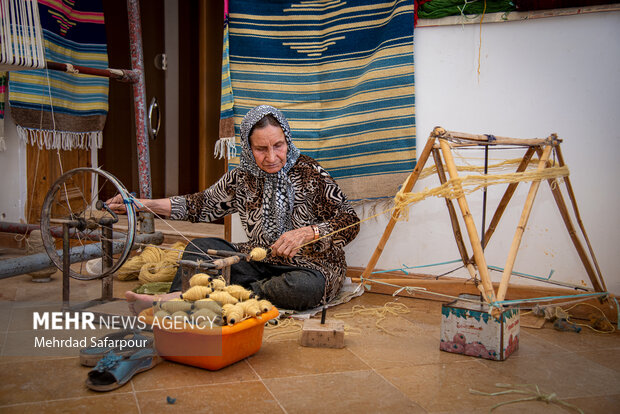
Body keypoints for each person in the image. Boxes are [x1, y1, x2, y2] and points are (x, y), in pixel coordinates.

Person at [107, 105, 360, 314]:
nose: (271, 157)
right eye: (261, 149)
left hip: (311, 267)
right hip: (259, 259)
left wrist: (308, 233)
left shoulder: (311, 174)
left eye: (278, 146)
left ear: (288, 140)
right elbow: (198, 205)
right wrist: (143, 204)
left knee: (303, 288)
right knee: (198, 248)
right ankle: (197, 296)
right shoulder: (240, 178)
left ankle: (203, 296)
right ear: (248, 149)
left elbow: (350, 221)